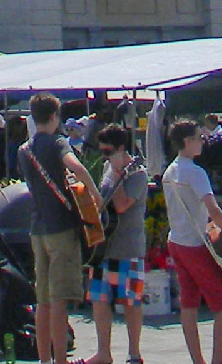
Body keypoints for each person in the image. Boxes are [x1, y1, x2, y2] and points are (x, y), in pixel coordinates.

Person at [21, 93, 100, 364]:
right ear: (55, 116)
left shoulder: (24, 149)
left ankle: (45, 359)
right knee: (59, 300)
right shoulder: (58, 143)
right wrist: (95, 194)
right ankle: (61, 360)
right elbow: (76, 167)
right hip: (61, 228)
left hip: (37, 228)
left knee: (42, 300)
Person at [162, 118, 222, 364]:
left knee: (189, 303)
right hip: (196, 244)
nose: (202, 142)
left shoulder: (169, 171)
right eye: (198, 138)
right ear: (187, 141)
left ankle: (198, 360)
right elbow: (213, 209)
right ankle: (218, 360)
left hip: (176, 240)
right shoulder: (195, 172)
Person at [86, 124, 149, 364]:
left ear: (121, 149)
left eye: (108, 151)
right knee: (99, 298)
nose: (104, 156)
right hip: (104, 246)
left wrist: (117, 172)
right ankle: (103, 352)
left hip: (128, 246)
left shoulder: (137, 174)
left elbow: (122, 205)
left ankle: (134, 353)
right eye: (102, 151)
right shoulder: (106, 167)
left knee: (131, 301)